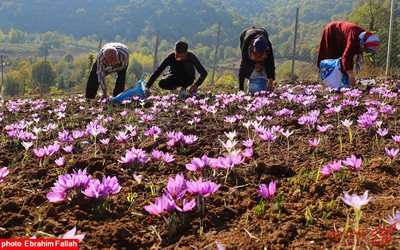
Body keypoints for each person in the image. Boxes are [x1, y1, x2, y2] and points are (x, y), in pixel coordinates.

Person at [316, 21, 380, 86]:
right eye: (367, 50)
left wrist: (351, 73)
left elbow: (350, 56)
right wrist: (351, 75)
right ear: (364, 45)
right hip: (332, 32)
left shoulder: (364, 38)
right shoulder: (355, 38)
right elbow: (346, 57)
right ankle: (326, 81)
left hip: (341, 38)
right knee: (329, 59)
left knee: (344, 64)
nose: (366, 52)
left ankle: (342, 83)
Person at [239, 27, 275, 93]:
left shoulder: (268, 47)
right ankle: (241, 89)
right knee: (245, 64)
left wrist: (270, 82)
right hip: (246, 33)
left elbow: (271, 63)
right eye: (256, 52)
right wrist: (254, 63)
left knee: (266, 62)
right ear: (253, 46)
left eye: (260, 53)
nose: (258, 55)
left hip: (263, 31)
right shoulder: (247, 42)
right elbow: (244, 59)